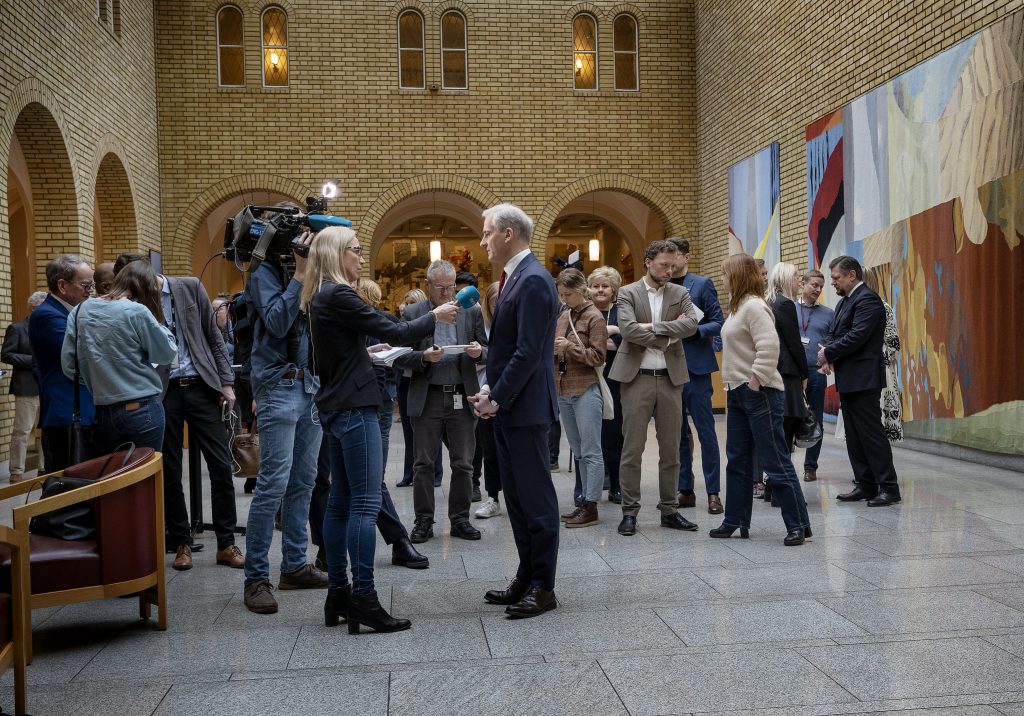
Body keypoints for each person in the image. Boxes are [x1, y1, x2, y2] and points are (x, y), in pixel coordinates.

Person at [305, 226, 458, 633]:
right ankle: (365, 600)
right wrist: (434, 315)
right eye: (355, 250)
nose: (360, 256)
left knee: (340, 503)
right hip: (356, 408)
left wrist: (363, 351)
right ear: (338, 254)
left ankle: (338, 592)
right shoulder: (338, 294)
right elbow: (396, 330)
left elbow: (339, 351)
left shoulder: (320, 297)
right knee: (365, 504)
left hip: (337, 406)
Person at [114, 253, 245, 572]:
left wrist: (227, 384)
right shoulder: (138, 304)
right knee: (169, 468)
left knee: (219, 463)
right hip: (163, 391)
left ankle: (226, 542)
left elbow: (214, 337)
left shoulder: (190, 287)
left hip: (201, 386)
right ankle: (182, 542)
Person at [468, 203, 561, 619]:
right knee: (518, 499)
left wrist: (497, 396)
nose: (482, 241)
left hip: (526, 407)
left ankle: (544, 586)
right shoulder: (512, 279)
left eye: (487, 233)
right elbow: (506, 351)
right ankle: (526, 575)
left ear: (508, 233)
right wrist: (490, 389)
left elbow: (527, 353)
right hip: (510, 405)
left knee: (535, 498)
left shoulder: (535, 280)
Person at [242, 227, 327, 615]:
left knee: (304, 481)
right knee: (273, 483)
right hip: (278, 386)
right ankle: (256, 577)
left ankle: (294, 565)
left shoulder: (315, 274)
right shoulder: (262, 274)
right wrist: (298, 275)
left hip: (311, 386)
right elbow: (277, 322)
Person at [709, 254, 811, 546]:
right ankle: (735, 520)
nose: (722, 278)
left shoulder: (754, 306)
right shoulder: (737, 307)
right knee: (738, 460)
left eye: (725, 273)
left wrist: (755, 381)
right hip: (738, 392)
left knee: (775, 460)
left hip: (759, 392)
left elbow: (769, 348)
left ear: (739, 275)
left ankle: (797, 526)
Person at [609, 240, 699, 537]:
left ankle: (670, 510)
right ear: (648, 261)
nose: (669, 271)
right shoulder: (627, 292)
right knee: (632, 449)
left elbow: (691, 326)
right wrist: (666, 333)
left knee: (672, 448)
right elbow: (628, 330)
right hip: (637, 378)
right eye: (664, 265)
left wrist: (653, 328)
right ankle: (630, 512)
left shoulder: (680, 292)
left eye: (673, 266)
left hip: (672, 379)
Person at [395, 260, 486, 544]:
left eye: (452, 287)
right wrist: (423, 357)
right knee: (423, 463)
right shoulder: (413, 312)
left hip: (462, 391)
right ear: (427, 286)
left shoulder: (470, 311)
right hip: (428, 394)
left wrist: (477, 352)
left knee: (463, 462)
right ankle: (423, 520)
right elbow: (398, 355)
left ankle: (460, 519)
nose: (448, 294)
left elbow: (487, 349)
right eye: (441, 288)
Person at [62, 260, 178, 454]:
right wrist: (160, 323)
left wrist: (100, 380)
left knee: (113, 476)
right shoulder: (137, 311)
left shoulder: (79, 311)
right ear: (147, 289)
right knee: (145, 478)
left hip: (103, 410)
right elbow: (165, 353)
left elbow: (69, 366)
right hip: (143, 407)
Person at [819, 256, 900, 506]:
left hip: (864, 379)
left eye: (836, 278)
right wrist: (828, 352)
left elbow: (857, 336)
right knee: (854, 436)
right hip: (849, 377)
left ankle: (888, 487)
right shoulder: (846, 301)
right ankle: (865, 484)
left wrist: (829, 353)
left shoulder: (868, 300)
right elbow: (834, 332)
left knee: (871, 434)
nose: (832, 282)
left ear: (851, 275)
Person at [668, 237, 725, 515]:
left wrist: (695, 330)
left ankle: (713, 493)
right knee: (677, 434)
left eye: (675, 254)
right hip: (667, 369)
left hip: (697, 368)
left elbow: (718, 322)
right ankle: (685, 490)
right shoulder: (660, 287)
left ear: (686, 256)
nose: (670, 260)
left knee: (705, 432)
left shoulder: (701, 284)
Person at [29, 255, 97, 472]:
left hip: (83, 409)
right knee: (66, 485)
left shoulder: (74, 311)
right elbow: (83, 353)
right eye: (85, 285)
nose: (90, 291)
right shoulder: (46, 315)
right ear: (62, 285)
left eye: (92, 285)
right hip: (66, 413)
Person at [553, 268, 608, 528]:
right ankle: (583, 501)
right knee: (577, 451)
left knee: (591, 450)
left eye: (568, 294)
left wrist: (569, 348)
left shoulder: (595, 317)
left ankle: (591, 505)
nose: (564, 299)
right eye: (561, 294)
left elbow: (597, 357)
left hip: (585, 388)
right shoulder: (564, 315)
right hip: (563, 388)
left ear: (581, 290)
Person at [395, 289, 442, 489]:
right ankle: (409, 473)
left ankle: (436, 473)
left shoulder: (428, 325)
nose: (406, 306)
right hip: (405, 383)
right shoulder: (403, 324)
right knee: (409, 431)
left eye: (411, 302)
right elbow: (397, 352)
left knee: (432, 431)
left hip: (424, 382)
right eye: (406, 302)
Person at [2, 291, 46, 482]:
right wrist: (34, 360)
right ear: (33, 308)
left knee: (46, 430)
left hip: (47, 387)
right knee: (23, 430)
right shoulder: (17, 328)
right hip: (26, 387)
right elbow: (6, 355)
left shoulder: (49, 328)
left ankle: (44, 468)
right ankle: (16, 471)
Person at [587, 266, 622, 504]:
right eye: (596, 286)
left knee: (613, 434)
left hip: (615, 378)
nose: (600, 290)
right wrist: (606, 341)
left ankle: (617, 483)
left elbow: (624, 344)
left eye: (605, 286)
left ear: (614, 290)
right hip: (587, 377)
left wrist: (595, 342)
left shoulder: (621, 313)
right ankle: (593, 484)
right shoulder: (584, 312)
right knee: (591, 434)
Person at [796, 270, 833, 482]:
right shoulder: (790, 308)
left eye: (821, 286)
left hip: (816, 372)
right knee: (791, 416)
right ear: (803, 284)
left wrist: (827, 360)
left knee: (815, 418)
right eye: (814, 285)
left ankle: (811, 467)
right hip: (793, 372)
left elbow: (832, 341)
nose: (818, 290)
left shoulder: (828, 313)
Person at [861, 267, 903, 443]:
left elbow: (893, 341)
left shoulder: (882, 307)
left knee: (877, 423)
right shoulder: (853, 306)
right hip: (860, 369)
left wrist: (879, 362)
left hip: (879, 369)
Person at [473, 282, 503, 518]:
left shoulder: (514, 324)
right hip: (483, 393)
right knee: (488, 449)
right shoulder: (479, 325)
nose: (498, 305)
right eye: (494, 301)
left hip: (507, 393)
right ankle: (492, 497)